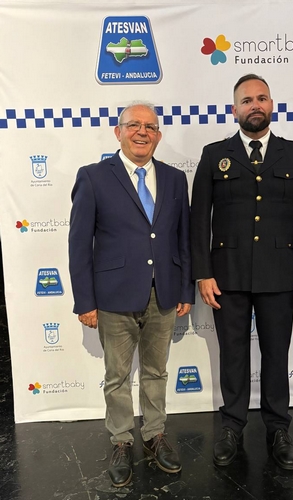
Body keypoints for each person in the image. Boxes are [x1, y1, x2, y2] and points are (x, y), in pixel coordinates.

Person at [190, 74, 293, 470]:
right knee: (233, 354)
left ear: (271, 105)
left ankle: (278, 428)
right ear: (235, 110)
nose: (255, 105)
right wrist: (203, 273)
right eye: (247, 100)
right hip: (226, 275)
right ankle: (232, 426)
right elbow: (198, 220)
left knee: (276, 354)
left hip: (279, 274)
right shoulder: (215, 154)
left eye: (261, 98)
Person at [68, 102, 194, 487]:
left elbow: (183, 239)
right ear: (118, 132)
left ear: (158, 135)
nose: (142, 132)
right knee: (117, 376)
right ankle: (121, 440)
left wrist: (186, 288)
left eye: (150, 127)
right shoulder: (93, 177)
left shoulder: (175, 179)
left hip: (164, 293)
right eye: (134, 125)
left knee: (156, 371)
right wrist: (85, 301)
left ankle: (154, 434)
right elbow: (79, 244)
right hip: (113, 296)